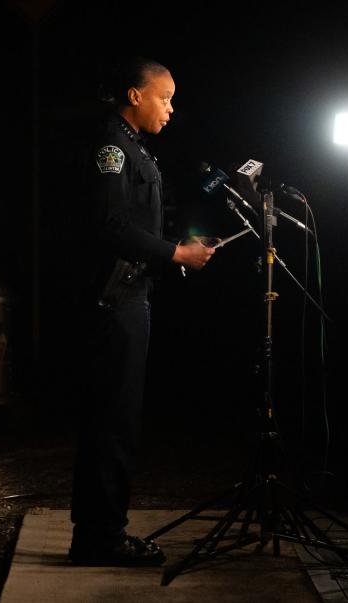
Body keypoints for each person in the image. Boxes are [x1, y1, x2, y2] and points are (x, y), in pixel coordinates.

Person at [67, 57, 214, 567]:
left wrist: (175, 247)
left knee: (117, 419)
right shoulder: (112, 149)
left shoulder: (134, 148)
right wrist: (177, 254)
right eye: (163, 97)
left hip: (132, 295)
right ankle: (99, 538)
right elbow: (109, 224)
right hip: (116, 300)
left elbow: (134, 226)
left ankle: (98, 532)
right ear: (135, 95)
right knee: (113, 421)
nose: (170, 108)